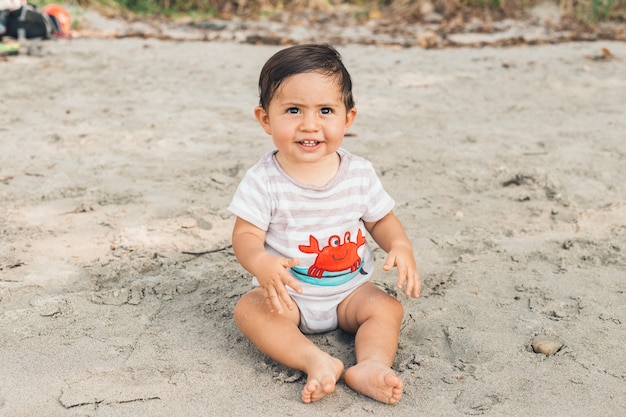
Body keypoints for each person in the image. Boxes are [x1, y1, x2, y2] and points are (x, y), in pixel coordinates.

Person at [228, 44, 421, 405]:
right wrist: (260, 262)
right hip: (288, 297)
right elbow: (245, 235)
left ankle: (371, 364)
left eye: (326, 110)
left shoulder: (359, 173)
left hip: (350, 292)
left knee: (387, 309)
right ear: (265, 118)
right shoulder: (263, 180)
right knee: (250, 311)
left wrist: (400, 246)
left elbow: (381, 218)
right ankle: (315, 360)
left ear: (348, 118)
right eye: (293, 110)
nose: (309, 124)